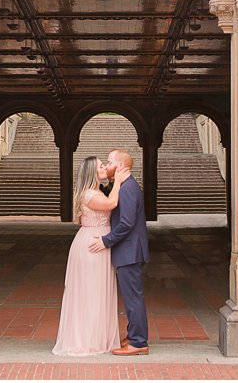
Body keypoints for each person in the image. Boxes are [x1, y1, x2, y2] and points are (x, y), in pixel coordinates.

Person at [52, 156, 130, 356]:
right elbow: (112, 203)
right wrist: (119, 180)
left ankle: (98, 337)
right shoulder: (89, 195)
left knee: (99, 292)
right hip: (91, 246)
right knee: (90, 293)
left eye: (104, 164)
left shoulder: (95, 191)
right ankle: (86, 340)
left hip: (99, 244)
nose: (105, 167)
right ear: (92, 173)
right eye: (101, 166)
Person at [88, 147, 149, 355]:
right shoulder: (123, 185)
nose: (108, 165)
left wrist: (106, 241)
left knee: (133, 298)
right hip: (128, 251)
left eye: (110, 162)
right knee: (132, 297)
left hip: (130, 251)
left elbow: (126, 223)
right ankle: (133, 336)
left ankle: (139, 343)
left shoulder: (128, 188)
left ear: (121, 165)